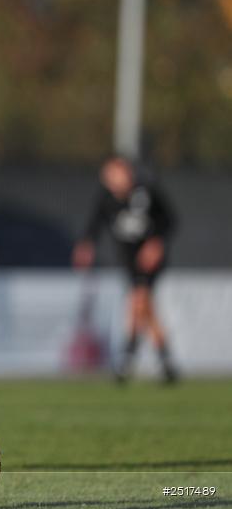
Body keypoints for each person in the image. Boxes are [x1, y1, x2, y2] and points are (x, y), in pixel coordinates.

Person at [73, 155, 177, 383]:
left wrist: (155, 244)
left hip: (148, 260)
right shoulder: (107, 199)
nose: (111, 180)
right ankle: (166, 362)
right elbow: (95, 223)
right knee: (145, 308)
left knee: (138, 301)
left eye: (115, 174)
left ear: (127, 173)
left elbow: (169, 220)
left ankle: (127, 358)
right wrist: (86, 245)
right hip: (128, 259)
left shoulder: (146, 193)